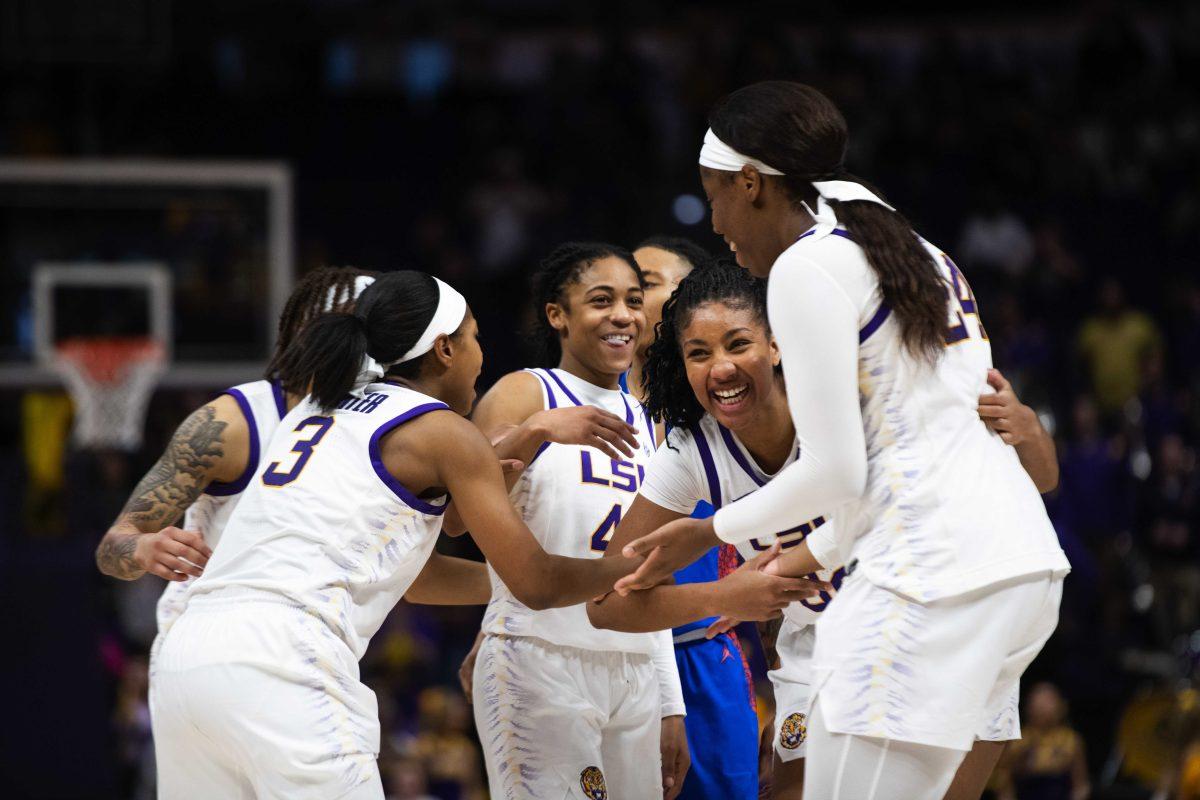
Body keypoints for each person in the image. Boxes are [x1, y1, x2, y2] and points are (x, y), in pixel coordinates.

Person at [616, 81, 1070, 799]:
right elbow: (888, 475)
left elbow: (835, 474)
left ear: (752, 183)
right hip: (1020, 568)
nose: (715, 222)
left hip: (932, 575)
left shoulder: (806, 265)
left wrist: (703, 536)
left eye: (716, 196)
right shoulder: (901, 244)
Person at [151, 270, 641, 799]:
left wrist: (501, 586)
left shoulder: (312, 409)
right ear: (444, 349)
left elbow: (416, 576)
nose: (482, 353)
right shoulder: (442, 431)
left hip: (188, 657)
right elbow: (539, 582)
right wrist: (639, 564)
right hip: (286, 657)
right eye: (474, 337)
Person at [590, 261, 1057, 799]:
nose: (720, 368)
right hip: (822, 648)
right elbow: (604, 602)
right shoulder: (692, 452)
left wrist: (1027, 431)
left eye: (738, 344)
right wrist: (721, 596)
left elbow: (1040, 480)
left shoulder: (856, 404)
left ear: (776, 346)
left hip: (936, 626)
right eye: (699, 353)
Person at [95, 267, 491, 670]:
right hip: (209, 642)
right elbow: (113, 547)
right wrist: (144, 548)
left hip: (296, 646)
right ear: (311, 331)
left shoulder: (378, 424)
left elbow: (417, 574)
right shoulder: (233, 425)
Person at [468, 242, 696, 800]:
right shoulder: (526, 390)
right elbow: (459, 513)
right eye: (601, 301)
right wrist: (536, 431)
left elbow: (650, 567)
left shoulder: (650, 421)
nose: (623, 315)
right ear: (558, 315)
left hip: (634, 664)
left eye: (633, 301)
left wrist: (670, 702)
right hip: (539, 656)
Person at [631, 236, 766, 800]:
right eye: (622, 287)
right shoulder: (585, 411)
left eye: (649, 284)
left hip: (707, 646)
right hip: (624, 652)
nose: (631, 301)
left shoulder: (729, 408)